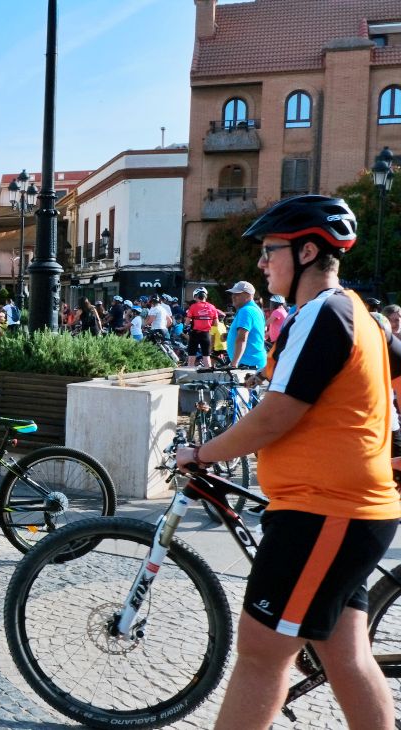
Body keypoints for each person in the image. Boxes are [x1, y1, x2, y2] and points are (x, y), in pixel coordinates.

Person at [176, 194, 401, 730]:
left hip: (325, 512)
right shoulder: (355, 314)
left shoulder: (325, 312)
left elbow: (274, 419)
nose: (260, 263)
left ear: (305, 252)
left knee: (260, 653)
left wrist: (201, 452)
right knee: (343, 654)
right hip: (343, 511)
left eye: (268, 250)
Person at [225, 280, 267, 370]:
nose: (233, 297)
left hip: (248, 366)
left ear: (248, 295)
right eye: (233, 294)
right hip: (253, 364)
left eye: (237, 294)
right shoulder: (255, 309)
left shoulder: (246, 311)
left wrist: (233, 364)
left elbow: (242, 338)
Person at [185, 287, 222, 367]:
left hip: (194, 333)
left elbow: (187, 322)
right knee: (206, 356)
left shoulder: (193, 307)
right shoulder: (212, 307)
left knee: (192, 355)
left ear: (195, 296)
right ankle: (208, 376)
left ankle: (190, 375)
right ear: (205, 296)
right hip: (206, 334)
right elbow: (216, 323)